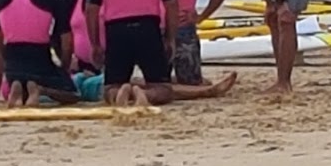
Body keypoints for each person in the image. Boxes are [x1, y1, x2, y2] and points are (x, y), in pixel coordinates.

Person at [74, 67, 239, 107]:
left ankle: (202, 90)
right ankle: (206, 91)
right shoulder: (70, 83)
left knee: (159, 85)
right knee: (161, 87)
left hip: (94, 86)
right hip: (93, 84)